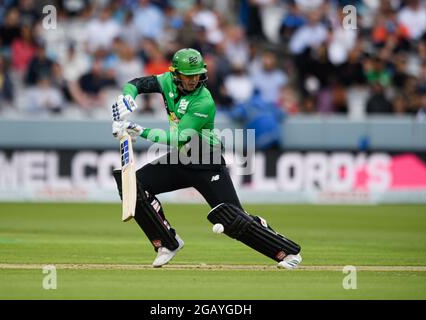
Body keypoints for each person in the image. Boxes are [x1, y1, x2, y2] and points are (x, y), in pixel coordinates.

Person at [110, 48, 302, 269]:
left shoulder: (204, 101)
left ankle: (288, 253)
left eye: (196, 75)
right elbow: (137, 83)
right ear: (175, 74)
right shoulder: (166, 82)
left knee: (232, 219)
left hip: (205, 160)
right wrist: (127, 98)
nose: (193, 80)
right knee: (133, 185)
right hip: (181, 159)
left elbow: (179, 137)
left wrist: (137, 130)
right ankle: (167, 242)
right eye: (188, 75)